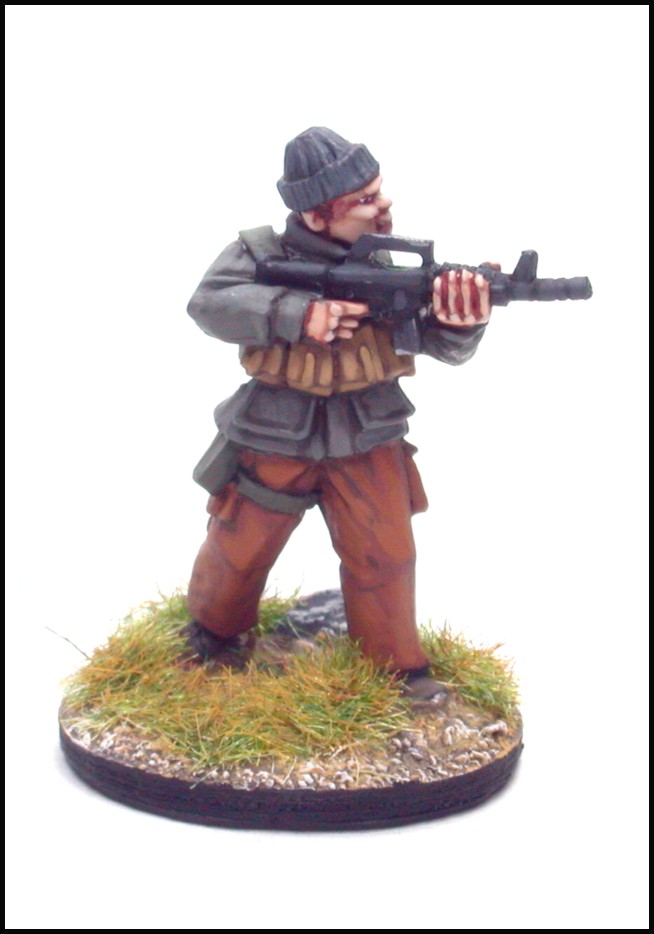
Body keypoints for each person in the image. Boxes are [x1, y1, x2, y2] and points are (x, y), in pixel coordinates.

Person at [184, 127, 492, 698]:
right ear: (317, 215)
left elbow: (438, 346)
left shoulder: (390, 265)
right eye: (365, 199)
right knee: (240, 543)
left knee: (386, 554)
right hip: (275, 429)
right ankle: (212, 637)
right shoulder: (259, 255)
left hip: (366, 432)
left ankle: (395, 670)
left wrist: (461, 322)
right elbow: (208, 304)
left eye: (379, 190)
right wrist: (298, 315)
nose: (384, 205)